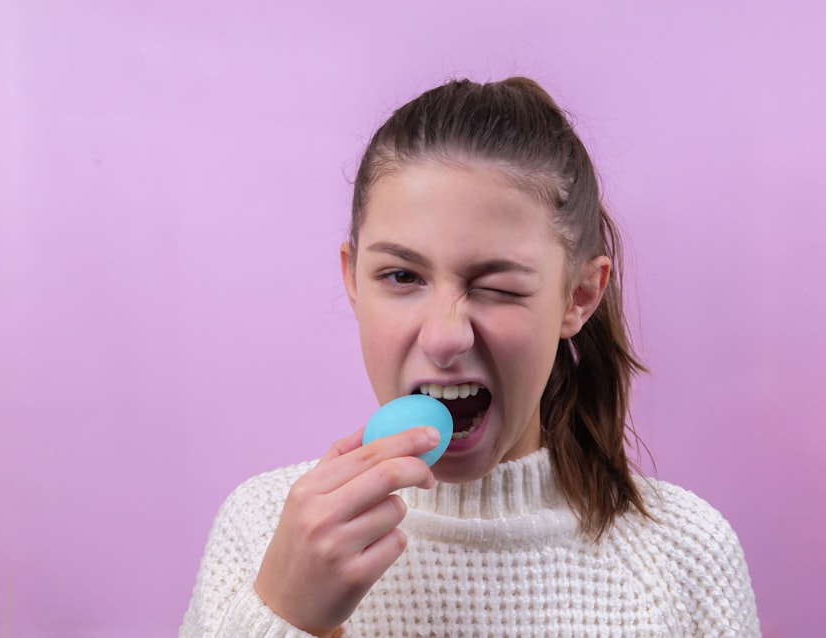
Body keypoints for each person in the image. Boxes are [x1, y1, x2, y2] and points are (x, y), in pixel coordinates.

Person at [180, 77, 760, 637]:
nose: (445, 336)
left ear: (579, 295)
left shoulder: (685, 556)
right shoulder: (262, 529)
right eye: (402, 275)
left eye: (500, 287)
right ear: (352, 280)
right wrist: (287, 619)